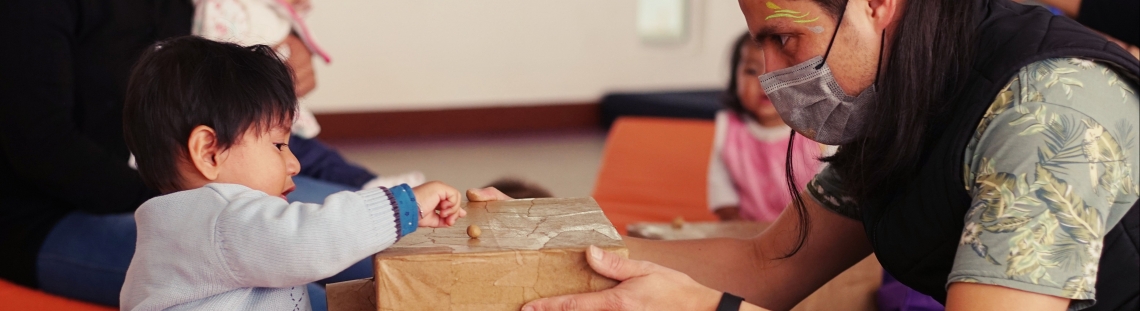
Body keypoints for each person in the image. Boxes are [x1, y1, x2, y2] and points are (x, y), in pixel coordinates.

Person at [519, 0, 1139, 310]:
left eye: (786, 40)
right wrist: (534, 246)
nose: (768, 76)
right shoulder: (907, 91)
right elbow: (770, 262)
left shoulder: (1046, 115)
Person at [0, 0, 415, 307]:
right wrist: (191, 205)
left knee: (386, 250)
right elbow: (42, 146)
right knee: (291, 282)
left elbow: (245, 130)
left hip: (191, 181)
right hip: (55, 215)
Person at [117, 36, 466, 310]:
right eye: (278, 145)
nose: (294, 163)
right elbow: (312, 239)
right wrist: (403, 204)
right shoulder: (223, 220)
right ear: (209, 152)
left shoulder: (180, 223)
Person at [707, 32, 828, 222]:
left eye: (778, 72)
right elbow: (721, 192)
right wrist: (738, 227)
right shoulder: (729, 128)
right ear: (734, 78)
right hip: (747, 234)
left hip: (808, 235)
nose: (764, 81)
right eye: (751, 71)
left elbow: (831, 195)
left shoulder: (817, 130)